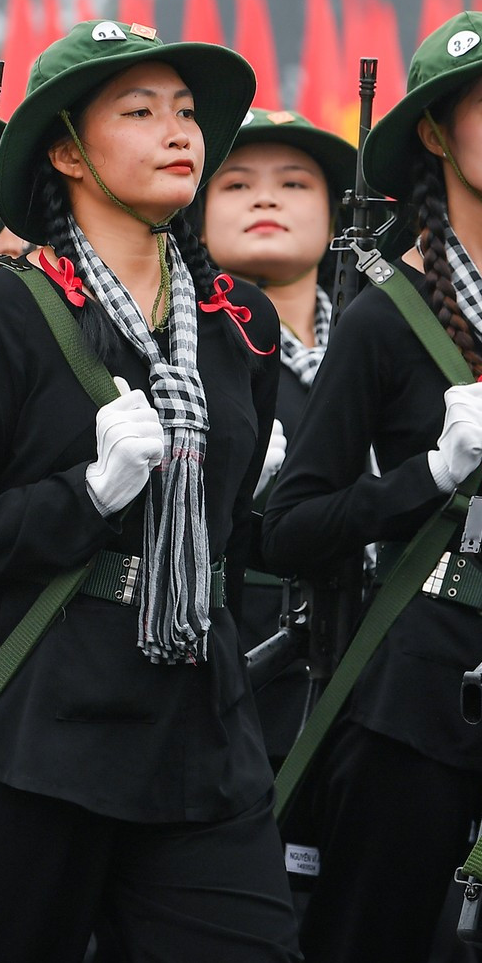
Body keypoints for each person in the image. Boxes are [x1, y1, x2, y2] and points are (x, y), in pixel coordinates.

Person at [0, 19, 293, 962]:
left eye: (186, 112)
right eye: (140, 112)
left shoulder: (239, 320)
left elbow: (232, 535)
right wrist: (88, 495)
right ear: (68, 151)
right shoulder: (3, 309)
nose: (178, 131)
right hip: (36, 717)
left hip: (198, 717)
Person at [263, 11, 482, 962]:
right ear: (437, 134)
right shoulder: (385, 314)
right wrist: (428, 475)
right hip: (422, 683)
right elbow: (292, 525)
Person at [195, 107, 353, 770]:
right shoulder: (179, 349)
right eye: (235, 184)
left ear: (334, 215)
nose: (266, 198)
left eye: (294, 183)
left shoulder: (374, 339)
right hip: (238, 659)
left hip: (362, 664)